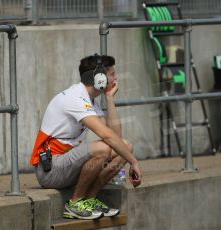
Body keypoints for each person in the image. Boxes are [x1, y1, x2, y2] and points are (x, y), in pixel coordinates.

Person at [29, 54, 142, 220]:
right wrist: (134, 162)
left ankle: (88, 200)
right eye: (112, 74)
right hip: (50, 170)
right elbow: (107, 137)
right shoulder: (75, 98)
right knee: (104, 148)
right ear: (99, 78)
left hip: (67, 166)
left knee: (126, 146)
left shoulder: (90, 100)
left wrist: (109, 98)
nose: (116, 78)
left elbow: (116, 138)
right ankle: (75, 204)